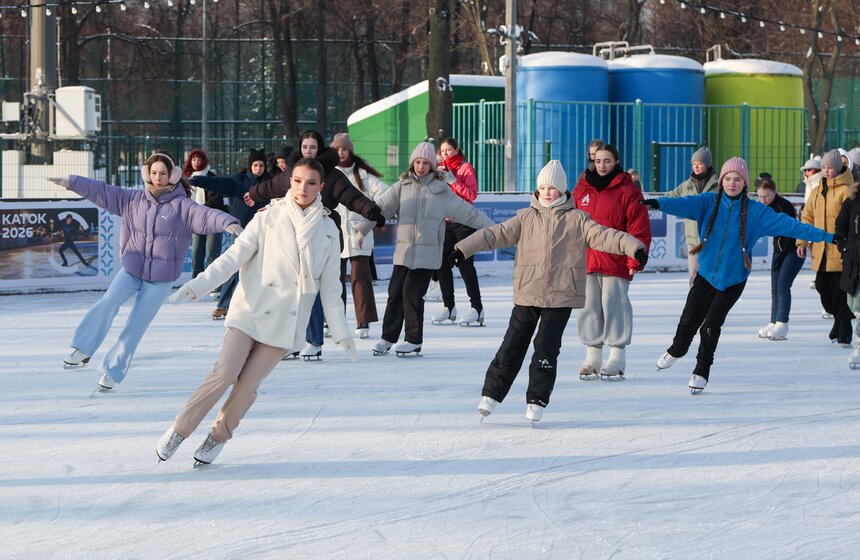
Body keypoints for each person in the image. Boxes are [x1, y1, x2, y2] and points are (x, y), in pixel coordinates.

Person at [157, 158, 357, 465]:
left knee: (248, 386)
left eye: (311, 183)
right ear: (290, 181)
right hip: (250, 310)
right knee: (224, 373)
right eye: (298, 181)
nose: (303, 188)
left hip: (285, 322)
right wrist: (197, 286)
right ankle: (180, 429)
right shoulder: (268, 216)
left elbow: (331, 288)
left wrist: (342, 333)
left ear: (322, 187)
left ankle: (218, 436)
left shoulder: (329, 230)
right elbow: (232, 258)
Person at [452, 160, 647, 422]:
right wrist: (462, 248)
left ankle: (537, 399)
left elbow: (606, 236)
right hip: (528, 292)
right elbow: (494, 234)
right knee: (512, 345)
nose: (546, 192)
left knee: (546, 348)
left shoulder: (578, 219)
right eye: (542, 187)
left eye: (552, 188)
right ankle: (491, 394)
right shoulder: (525, 217)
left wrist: (634, 246)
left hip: (561, 295)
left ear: (563, 191)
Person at [641, 157, 837, 394]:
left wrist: (828, 237)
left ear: (744, 184)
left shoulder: (756, 212)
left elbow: (792, 226)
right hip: (706, 274)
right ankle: (678, 349)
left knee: (711, 325)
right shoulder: (708, 202)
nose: (731, 183)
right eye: (727, 179)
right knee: (690, 318)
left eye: (737, 179)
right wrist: (657, 204)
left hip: (733, 279)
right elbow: (683, 204)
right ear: (721, 181)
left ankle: (701, 370)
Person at [50, 152, 241, 391]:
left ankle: (113, 370)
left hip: (160, 279)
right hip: (132, 270)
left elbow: (206, 215)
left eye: (163, 173)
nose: (158, 178)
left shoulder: (182, 206)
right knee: (109, 301)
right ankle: (83, 348)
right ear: (146, 174)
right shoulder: (132, 199)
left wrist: (228, 222)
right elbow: (103, 191)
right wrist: (72, 182)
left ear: (172, 175)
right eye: (153, 173)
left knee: (136, 325)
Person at [244, 130, 384, 360]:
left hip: (321, 237)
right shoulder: (294, 172)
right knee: (293, 291)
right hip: (294, 238)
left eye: (313, 147)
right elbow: (273, 186)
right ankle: (296, 340)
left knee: (313, 288)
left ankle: (314, 340)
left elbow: (352, 197)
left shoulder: (332, 176)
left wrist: (372, 211)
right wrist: (253, 193)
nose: (309, 151)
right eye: (305, 147)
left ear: (320, 149)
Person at [365, 141, 495, 356]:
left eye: (426, 163)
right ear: (412, 163)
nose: (421, 166)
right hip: (404, 252)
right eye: (418, 162)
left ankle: (413, 339)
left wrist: (496, 228)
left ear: (433, 166)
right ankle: (388, 337)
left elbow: (469, 213)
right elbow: (382, 208)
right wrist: (362, 229)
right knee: (394, 292)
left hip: (427, 254)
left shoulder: (441, 191)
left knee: (412, 293)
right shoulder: (402, 186)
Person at [572, 144, 651, 381]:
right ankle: (592, 355)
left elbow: (638, 225)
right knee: (588, 307)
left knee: (614, 304)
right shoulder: (581, 189)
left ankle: (617, 354)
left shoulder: (627, 189)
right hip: (587, 260)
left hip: (616, 260)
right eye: (598, 161)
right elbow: (572, 225)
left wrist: (634, 257)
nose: (602, 165)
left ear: (616, 162)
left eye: (607, 161)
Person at [188, 148, 270, 320]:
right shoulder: (239, 181)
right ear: (250, 166)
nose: (258, 168)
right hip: (242, 233)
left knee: (264, 270)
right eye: (255, 165)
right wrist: (196, 180)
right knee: (234, 268)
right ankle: (223, 305)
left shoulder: (270, 183)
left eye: (261, 165)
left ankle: (260, 307)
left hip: (266, 232)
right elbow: (217, 182)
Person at [331, 132, 390, 339]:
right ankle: (334, 321)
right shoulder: (327, 173)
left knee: (360, 279)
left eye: (344, 149)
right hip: (332, 232)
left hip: (358, 233)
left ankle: (363, 320)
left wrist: (370, 219)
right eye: (337, 149)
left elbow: (386, 196)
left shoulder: (363, 176)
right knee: (333, 280)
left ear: (350, 151)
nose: (341, 153)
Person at [797, 149, 856, 346]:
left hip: (841, 249)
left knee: (840, 292)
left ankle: (844, 328)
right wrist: (802, 242)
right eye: (823, 167)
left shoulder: (847, 190)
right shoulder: (817, 190)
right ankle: (839, 320)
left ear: (838, 168)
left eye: (830, 167)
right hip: (821, 249)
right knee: (823, 287)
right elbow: (807, 216)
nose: (826, 171)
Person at [431, 136, 486, 327]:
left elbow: (472, 194)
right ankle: (449, 306)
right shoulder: (440, 169)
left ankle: (476, 308)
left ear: (456, 149)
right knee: (441, 262)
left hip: (464, 221)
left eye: (449, 150)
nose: (446, 153)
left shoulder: (465, 167)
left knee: (465, 265)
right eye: (443, 150)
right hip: (445, 221)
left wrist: (453, 180)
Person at [755, 174, 805, 341]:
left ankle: (782, 323)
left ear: (774, 192)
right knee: (775, 288)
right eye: (760, 196)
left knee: (783, 286)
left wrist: (799, 246)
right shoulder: (762, 207)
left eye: (766, 196)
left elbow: (789, 231)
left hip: (793, 251)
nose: (763, 200)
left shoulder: (785, 206)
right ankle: (773, 322)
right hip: (779, 252)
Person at [664, 147, 719, 286]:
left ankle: (711, 305)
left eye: (699, 163)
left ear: (707, 164)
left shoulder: (719, 185)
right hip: (693, 239)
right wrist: (654, 203)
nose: (696, 166)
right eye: (694, 163)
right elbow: (670, 197)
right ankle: (695, 305)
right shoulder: (686, 186)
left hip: (712, 237)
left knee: (711, 274)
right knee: (694, 275)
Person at [183, 149, 226, 279]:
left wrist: (200, 209)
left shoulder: (212, 176)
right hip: (196, 221)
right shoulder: (186, 178)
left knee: (212, 253)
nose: (196, 162)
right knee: (196, 253)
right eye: (194, 159)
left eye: (199, 159)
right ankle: (196, 281)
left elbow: (217, 198)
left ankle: (213, 282)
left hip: (213, 219)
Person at [836, 186, 860, 368]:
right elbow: (841, 225)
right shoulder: (852, 200)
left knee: (859, 307)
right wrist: (843, 247)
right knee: (852, 303)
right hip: (852, 261)